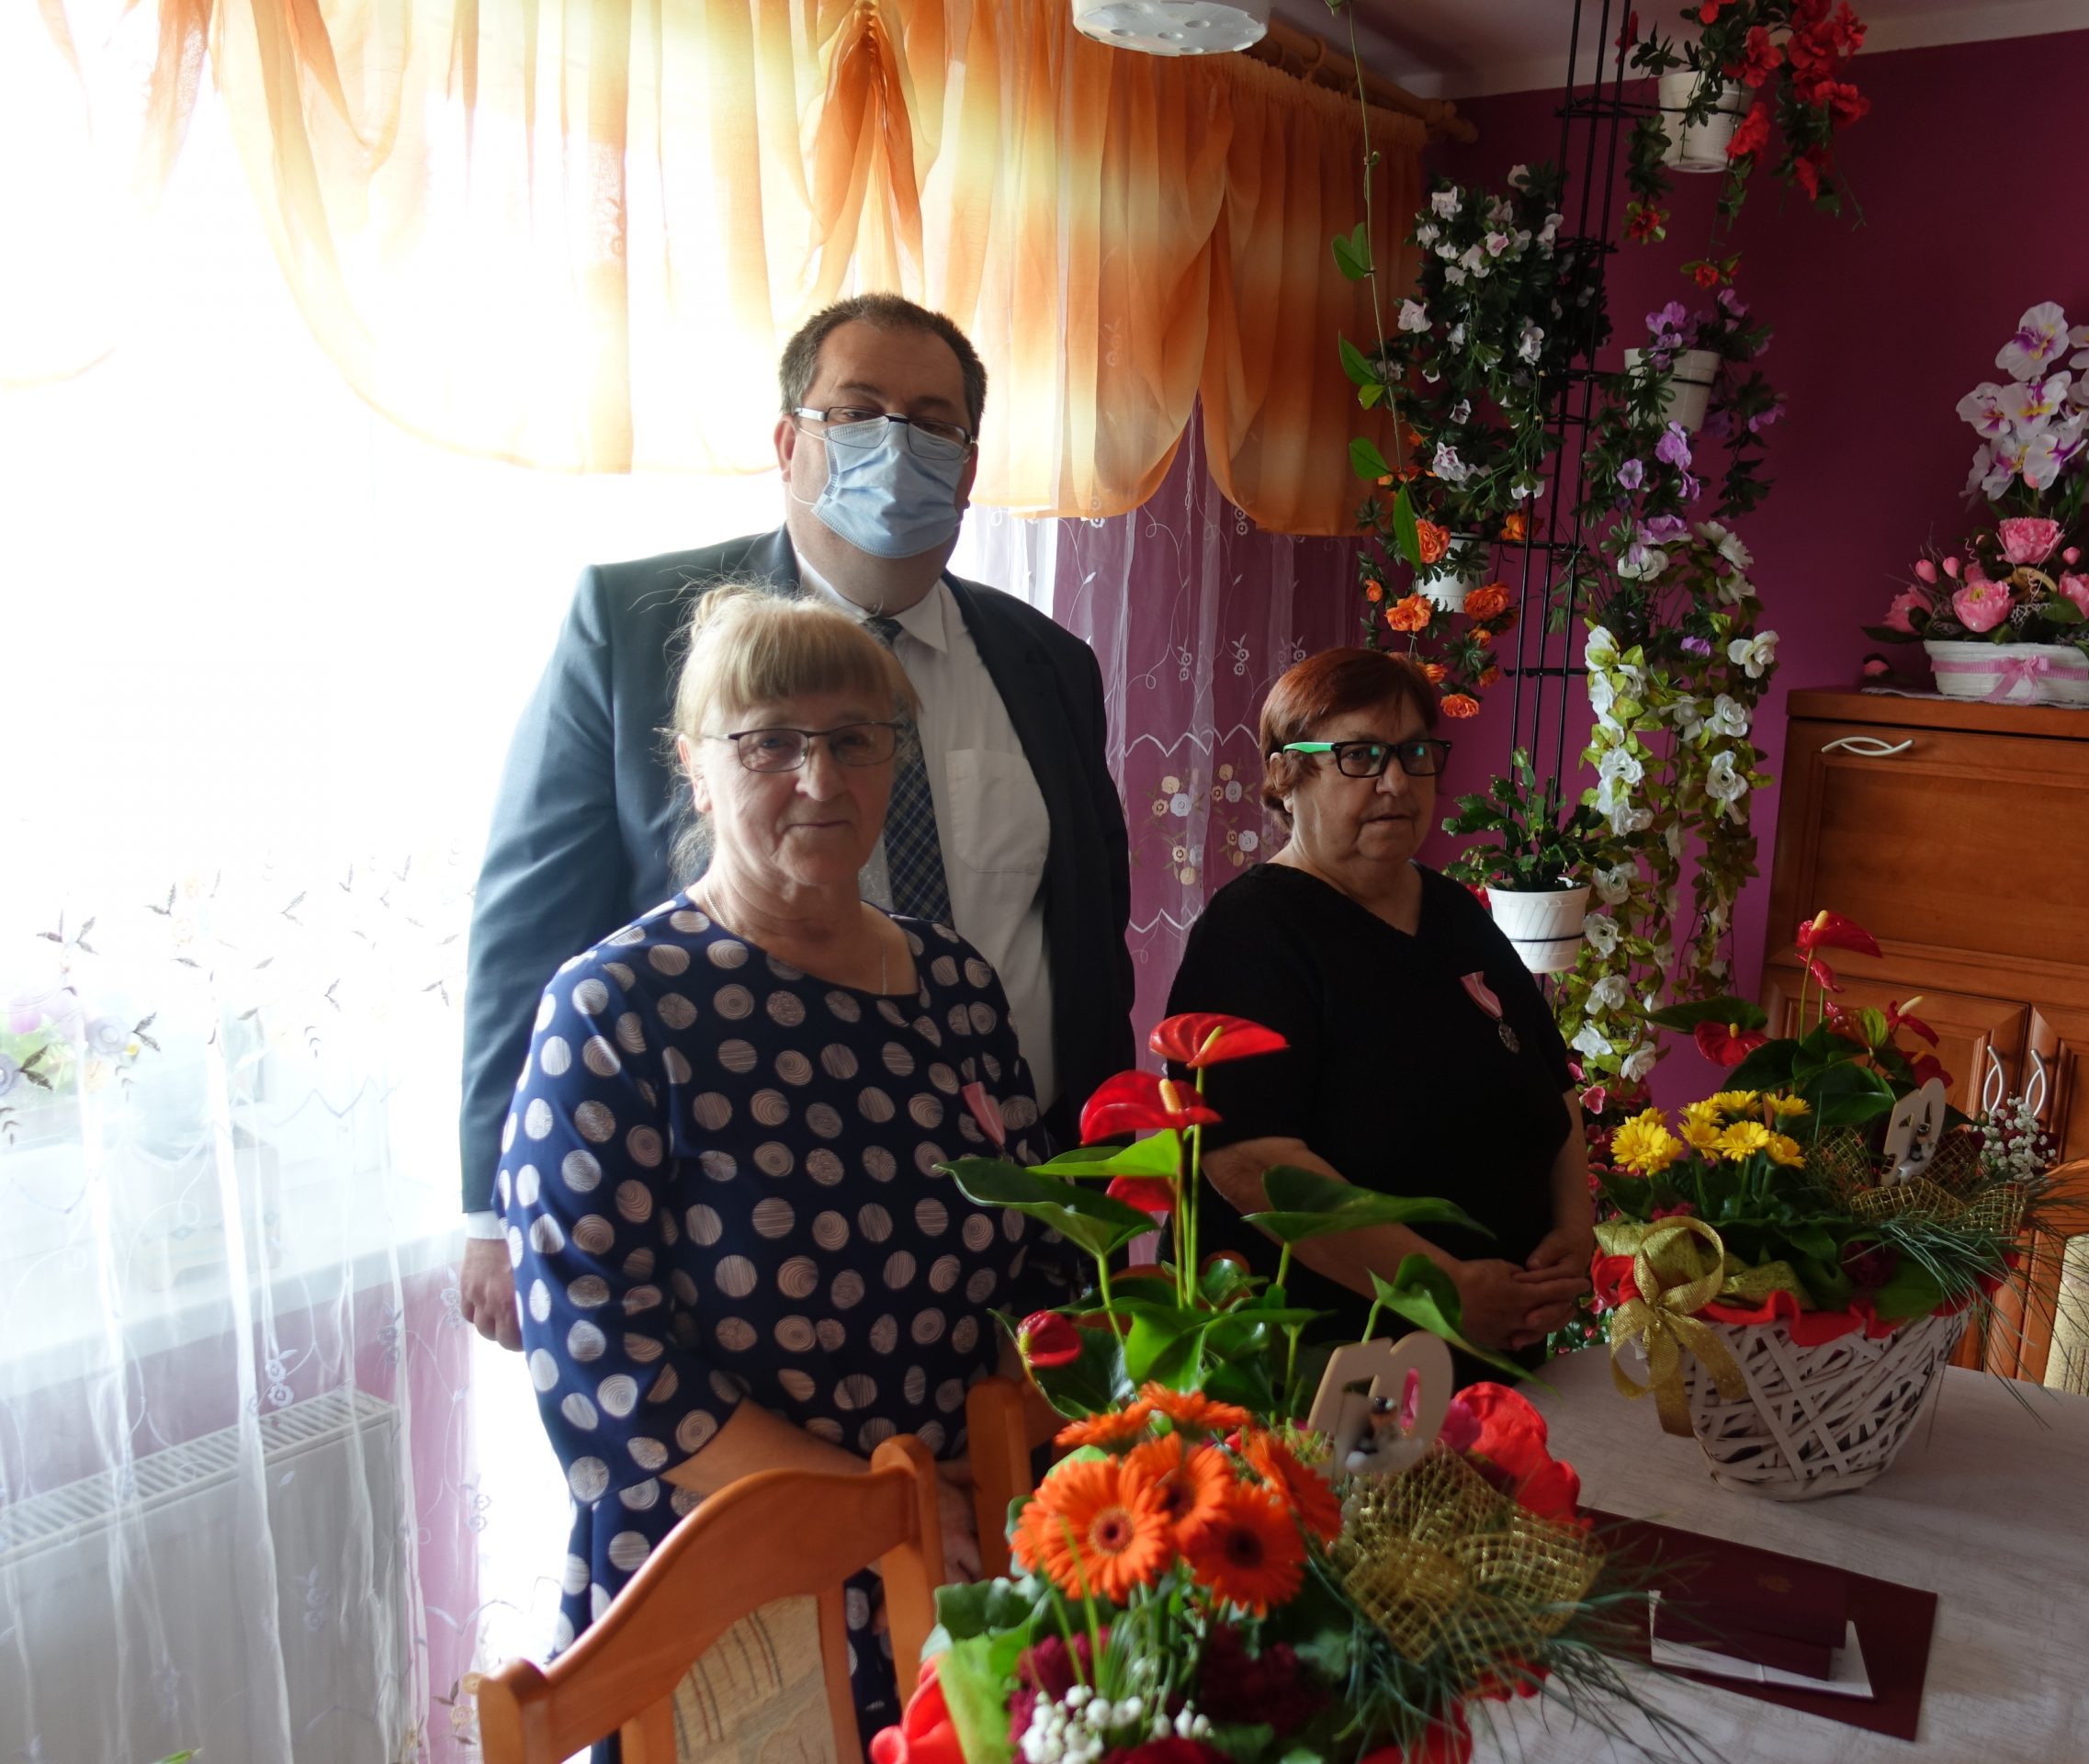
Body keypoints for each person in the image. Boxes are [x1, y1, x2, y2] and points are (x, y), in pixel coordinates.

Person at [460, 293, 1135, 1349]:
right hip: (737, 1237)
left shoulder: (1048, 663)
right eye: (857, 413)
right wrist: (492, 1210)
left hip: (1020, 1212)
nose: (895, 445)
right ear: (787, 442)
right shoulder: (635, 628)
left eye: (933, 423)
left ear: (968, 466)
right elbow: (530, 926)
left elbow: (1089, 935)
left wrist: (1107, 1190)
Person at [501, 587, 1061, 1732]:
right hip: (734, 1588)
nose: (820, 779)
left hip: (964, 1549)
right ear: (696, 768)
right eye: (770, 744)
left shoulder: (955, 986)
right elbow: (604, 1357)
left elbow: (1040, 1259)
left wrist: (1000, 1469)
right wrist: (880, 1512)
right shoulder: (615, 1010)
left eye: (854, 739)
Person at [1164, 648, 1593, 1363]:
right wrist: (1442, 1288)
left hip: (1499, 1349)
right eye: (1360, 755)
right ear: (1285, 776)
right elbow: (1252, 1162)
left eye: (1414, 753)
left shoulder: (1455, 912)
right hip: (1328, 1366)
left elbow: (1555, 1086)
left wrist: (1575, 1232)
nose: (1396, 781)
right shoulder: (1253, 933)